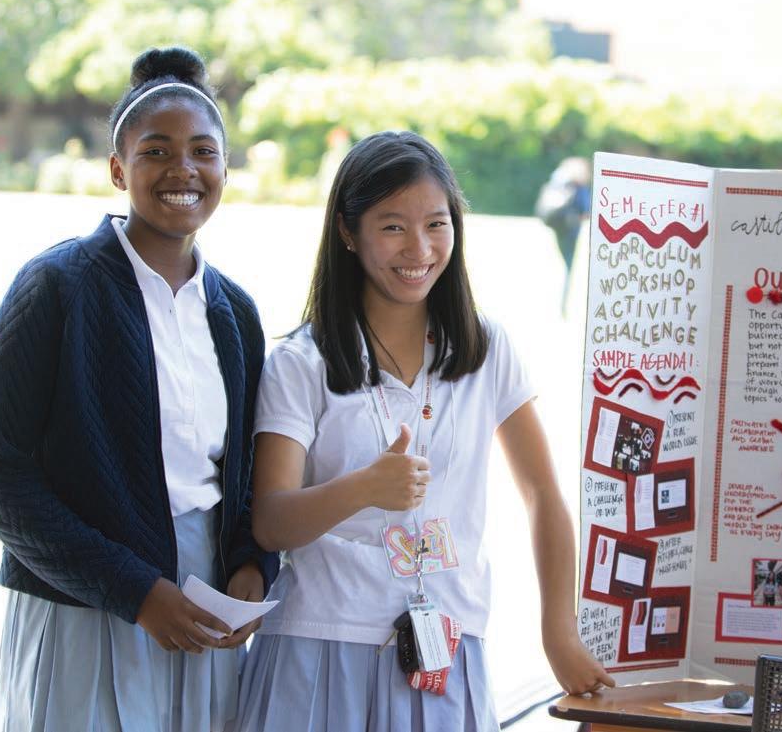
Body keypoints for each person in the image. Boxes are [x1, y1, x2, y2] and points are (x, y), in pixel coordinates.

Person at [235, 131, 614, 732]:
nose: (419, 248)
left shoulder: (486, 349)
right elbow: (271, 520)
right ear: (347, 231)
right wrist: (363, 488)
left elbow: (543, 495)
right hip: (319, 648)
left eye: (436, 224)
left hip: (448, 648)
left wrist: (558, 633)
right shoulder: (302, 362)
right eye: (392, 227)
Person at [0, 46, 277, 732]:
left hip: (203, 608)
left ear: (226, 169)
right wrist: (134, 591)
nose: (183, 170)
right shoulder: (55, 287)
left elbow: (250, 472)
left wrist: (253, 564)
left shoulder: (236, 313)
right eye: (156, 151)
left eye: (203, 152)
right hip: (82, 599)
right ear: (117, 168)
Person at [534, 156, 591, 314]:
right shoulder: (579, 187)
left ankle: (556, 305)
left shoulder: (558, 180)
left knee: (559, 267)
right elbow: (585, 211)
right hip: (570, 231)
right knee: (567, 268)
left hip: (555, 227)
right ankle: (562, 306)